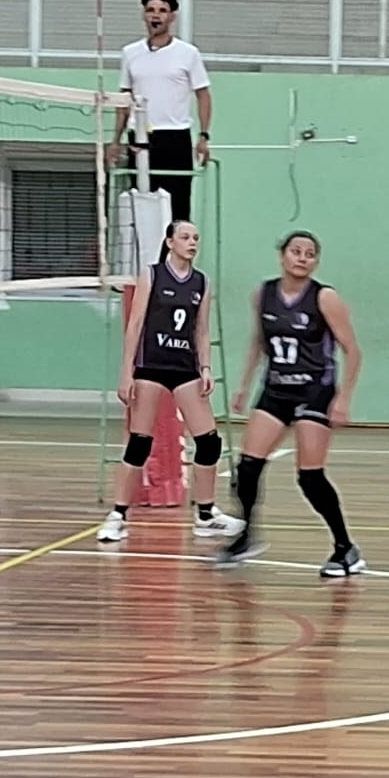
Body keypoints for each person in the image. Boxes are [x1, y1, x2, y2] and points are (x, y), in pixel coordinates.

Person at [219, 231, 364, 578]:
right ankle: (246, 536)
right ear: (282, 255)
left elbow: (353, 350)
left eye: (309, 254)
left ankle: (345, 548)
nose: (302, 258)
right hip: (276, 388)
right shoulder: (263, 293)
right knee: (247, 467)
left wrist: (343, 398)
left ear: (316, 262)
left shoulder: (325, 297)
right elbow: (259, 341)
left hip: (315, 390)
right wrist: (244, 386)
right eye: (296, 251)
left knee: (309, 477)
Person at [97, 221, 243, 544]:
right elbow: (135, 325)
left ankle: (205, 514)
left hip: (185, 368)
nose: (192, 243)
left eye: (196, 238)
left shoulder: (202, 282)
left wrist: (206, 367)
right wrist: (126, 372)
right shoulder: (151, 275)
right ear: (169, 242)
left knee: (209, 442)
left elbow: (201, 330)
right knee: (140, 443)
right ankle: (118, 515)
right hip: (151, 366)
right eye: (185, 237)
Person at [109, 0, 212, 223]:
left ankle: (176, 247)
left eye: (162, 11)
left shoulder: (188, 53)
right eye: (151, 10)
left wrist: (204, 136)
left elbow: (203, 95)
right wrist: (116, 140)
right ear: (143, 15)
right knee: (141, 200)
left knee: (178, 205)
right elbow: (124, 97)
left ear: (172, 17)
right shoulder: (130, 53)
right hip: (140, 136)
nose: (156, 15)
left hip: (175, 135)